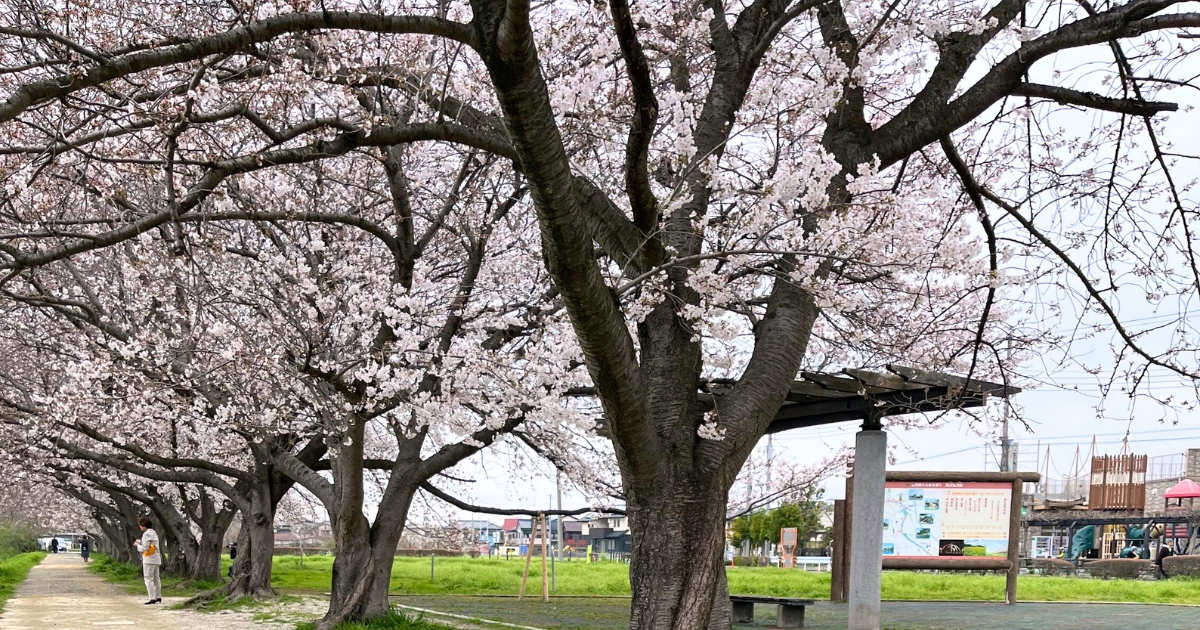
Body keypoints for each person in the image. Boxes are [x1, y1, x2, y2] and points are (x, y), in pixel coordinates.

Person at [134, 516, 162, 604]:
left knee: (148, 578)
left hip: (149, 559)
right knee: (156, 579)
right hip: (156, 558)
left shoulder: (146, 534)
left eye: (140, 525)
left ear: (143, 525)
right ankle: (158, 596)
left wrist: (137, 545)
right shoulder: (154, 532)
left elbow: (144, 548)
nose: (140, 527)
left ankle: (152, 598)